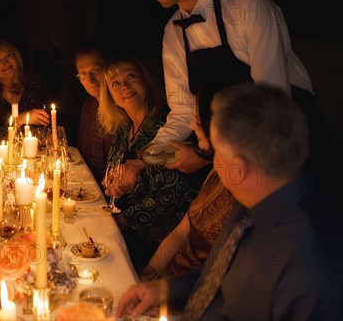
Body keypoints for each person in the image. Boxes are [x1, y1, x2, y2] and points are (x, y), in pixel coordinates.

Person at [116, 82, 341, 320]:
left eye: (217, 152)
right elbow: (221, 275)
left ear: (238, 168)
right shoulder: (253, 202)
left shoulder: (312, 265)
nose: (211, 161)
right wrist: (166, 288)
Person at [122, 0, 324, 176]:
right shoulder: (173, 33)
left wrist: (206, 156)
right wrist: (141, 161)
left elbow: (271, 100)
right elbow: (184, 111)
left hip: (289, 135)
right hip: (235, 148)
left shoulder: (249, 4)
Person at [98, 55, 207, 272]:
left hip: (161, 242)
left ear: (145, 80)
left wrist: (121, 222)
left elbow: (170, 194)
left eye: (131, 77)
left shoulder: (170, 124)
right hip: (129, 232)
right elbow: (114, 175)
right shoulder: (122, 130)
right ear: (111, 96)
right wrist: (114, 188)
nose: (125, 87)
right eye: (116, 83)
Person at [138, 86, 233, 282]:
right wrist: (150, 272)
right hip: (170, 276)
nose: (191, 126)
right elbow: (181, 232)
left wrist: (164, 288)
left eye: (199, 120)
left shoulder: (243, 190)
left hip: (192, 289)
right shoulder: (216, 170)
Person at [0, 37, 51, 143]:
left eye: (8, 56)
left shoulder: (35, 85)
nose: (6, 62)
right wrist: (19, 120)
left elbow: (48, 125)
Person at [74, 43, 113, 184]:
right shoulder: (88, 105)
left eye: (95, 71)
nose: (90, 80)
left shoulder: (122, 106)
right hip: (89, 184)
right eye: (83, 74)